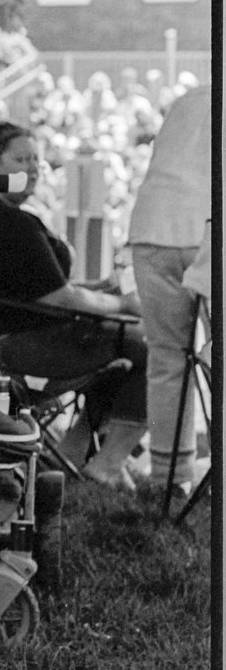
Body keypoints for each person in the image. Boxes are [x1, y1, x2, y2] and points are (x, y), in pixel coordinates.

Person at [0, 121, 147, 487]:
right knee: (143, 344)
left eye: (36, 159)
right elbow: (61, 298)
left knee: (117, 346)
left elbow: (31, 291)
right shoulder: (11, 223)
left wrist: (103, 291)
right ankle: (109, 461)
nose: (33, 167)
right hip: (18, 348)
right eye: (20, 159)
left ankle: (73, 449)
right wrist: (126, 305)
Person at [127, 82, 212, 495]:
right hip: (207, 231)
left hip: (153, 227)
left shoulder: (189, 98)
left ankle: (169, 478)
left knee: (166, 359)